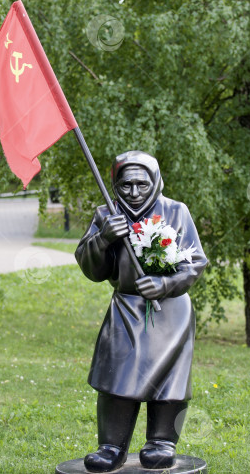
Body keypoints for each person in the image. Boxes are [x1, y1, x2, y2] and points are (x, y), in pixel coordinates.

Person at [75, 150, 208, 472]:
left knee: (169, 378)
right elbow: (91, 268)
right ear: (115, 184)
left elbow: (195, 263)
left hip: (169, 310)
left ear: (155, 181)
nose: (134, 193)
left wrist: (165, 285)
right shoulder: (106, 214)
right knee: (116, 375)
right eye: (125, 185)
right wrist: (104, 239)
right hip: (126, 306)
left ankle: (162, 441)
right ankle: (111, 445)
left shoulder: (176, 211)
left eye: (142, 185)